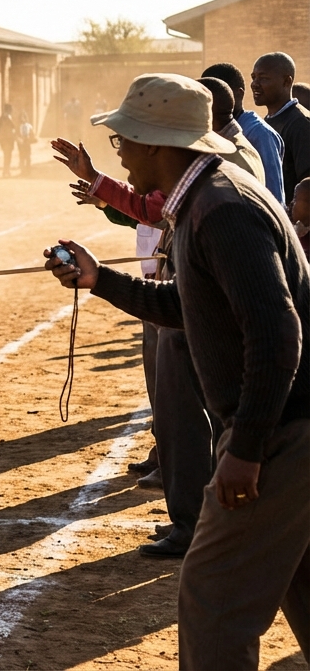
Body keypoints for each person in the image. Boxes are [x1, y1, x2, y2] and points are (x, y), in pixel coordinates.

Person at [46, 73, 310, 666]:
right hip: (289, 428)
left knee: (213, 601)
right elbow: (191, 308)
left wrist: (246, 447)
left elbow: (277, 333)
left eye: (124, 142)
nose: (121, 153)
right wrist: (99, 279)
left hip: (285, 434)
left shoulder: (221, 209)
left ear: (158, 144)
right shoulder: (206, 196)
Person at [203, 62, 284, 203]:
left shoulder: (259, 134)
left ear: (238, 94)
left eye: (210, 97)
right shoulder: (217, 134)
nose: (204, 103)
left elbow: (273, 195)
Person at [251, 52, 310, 201]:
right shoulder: (266, 122)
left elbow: (307, 186)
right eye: (254, 77)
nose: (254, 84)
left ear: (286, 82)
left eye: (263, 78)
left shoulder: (301, 124)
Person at [0, 104, 18, 177]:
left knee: (6, 155)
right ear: (9, 110)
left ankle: (6, 171)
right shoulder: (8, 118)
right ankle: (6, 171)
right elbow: (13, 126)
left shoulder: (1, 118)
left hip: (3, 139)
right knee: (8, 156)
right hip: (8, 139)